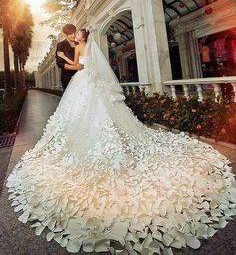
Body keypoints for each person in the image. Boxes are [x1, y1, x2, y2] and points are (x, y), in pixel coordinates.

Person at [6, 29, 236, 254]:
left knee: (82, 115)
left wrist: (66, 57)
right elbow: (90, 67)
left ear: (82, 38)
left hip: (82, 82)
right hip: (92, 84)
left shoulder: (78, 47)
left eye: (77, 35)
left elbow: (78, 67)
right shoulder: (89, 47)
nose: (75, 37)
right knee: (100, 111)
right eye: (74, 35)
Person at [56, 24, 84, 90]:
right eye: (70, 34)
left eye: (74, 33)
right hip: (67, 77)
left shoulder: (78, 43)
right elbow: (59, 63)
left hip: (80, 75)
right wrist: (75, 67)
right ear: (65, 35)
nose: (73, 35)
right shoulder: (61, 45)